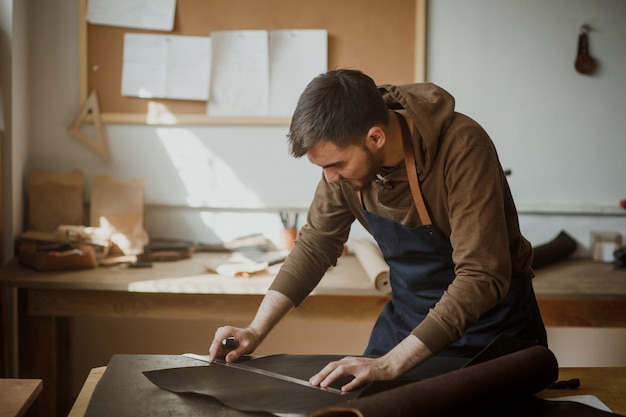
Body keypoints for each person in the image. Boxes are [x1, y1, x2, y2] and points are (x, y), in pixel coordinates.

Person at [209, 69, 547, 392]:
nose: (330, 178)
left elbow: (481, 275)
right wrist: (255, 329)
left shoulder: (462, 149)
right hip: (408, 319)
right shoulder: (345, 167)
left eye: (335, 164)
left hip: (491, 329)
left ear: (376, 137)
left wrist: (391, 364)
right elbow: (314, 245)